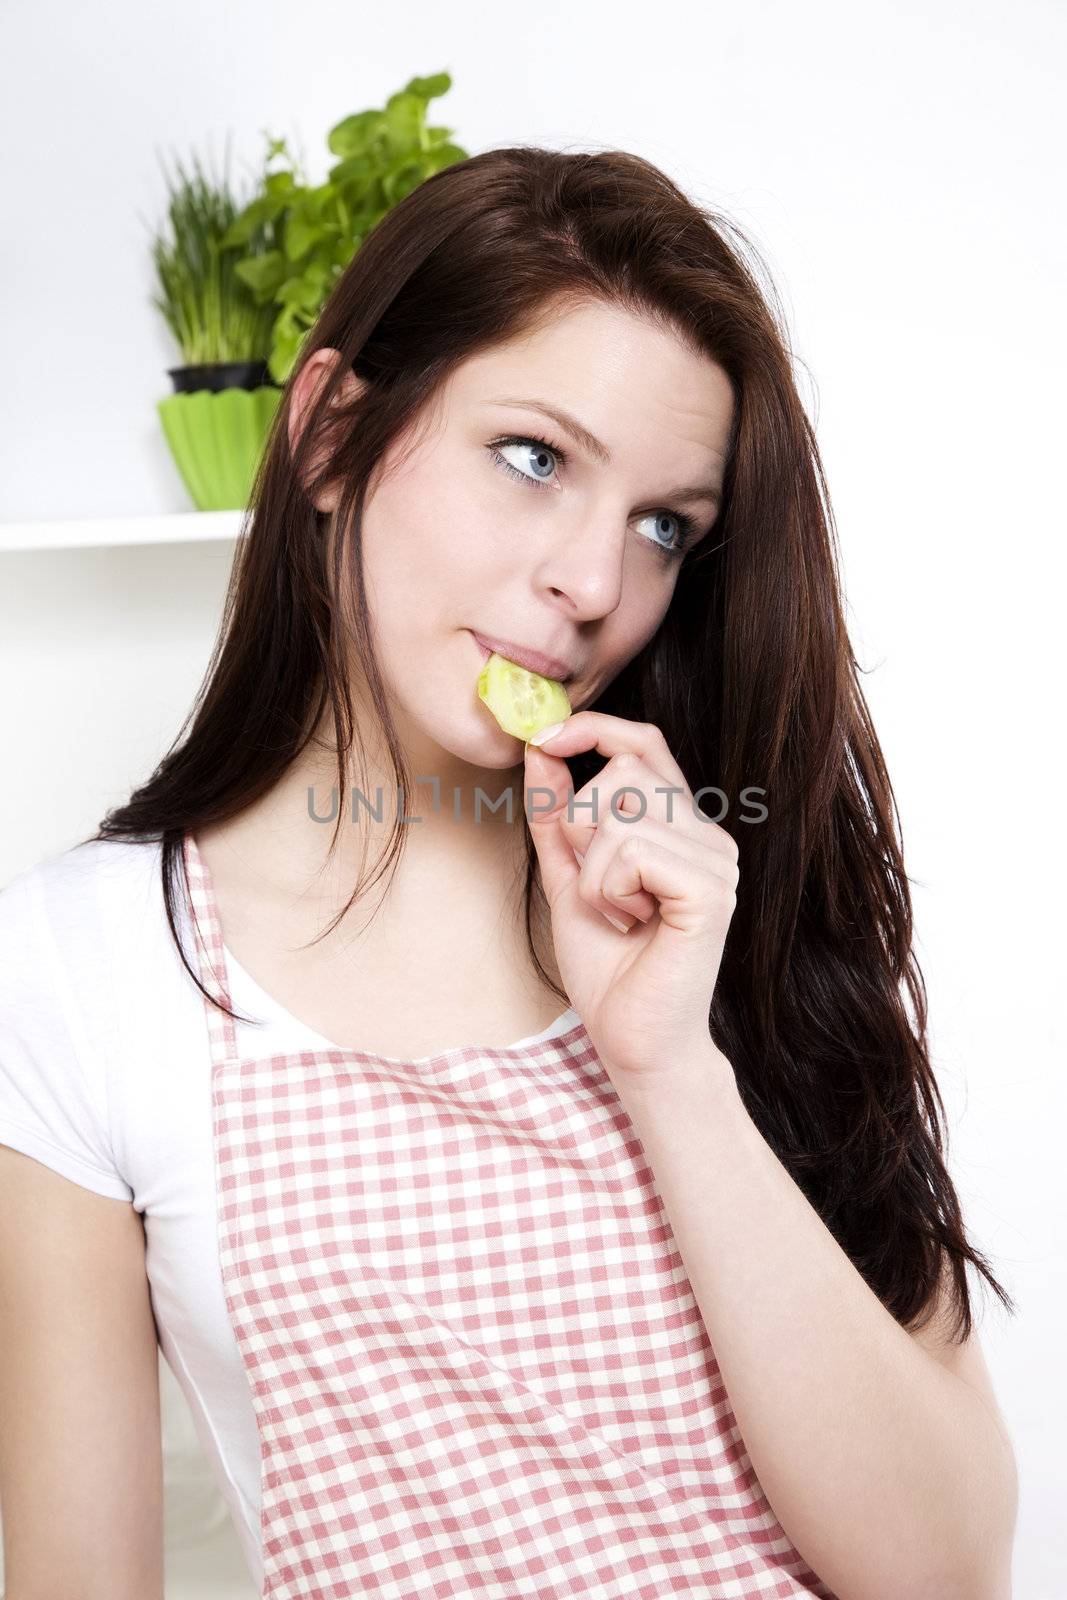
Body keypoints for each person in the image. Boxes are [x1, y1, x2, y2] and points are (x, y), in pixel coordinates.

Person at [0, 146, 1017, 1599]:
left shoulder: (722, 902)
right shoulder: (88, 969)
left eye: (666, 526)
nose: (595, 584)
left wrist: (669, 1062)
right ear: (333, 436)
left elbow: (944, 1568)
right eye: (534, 458)